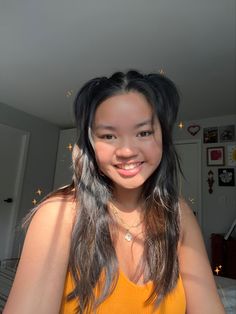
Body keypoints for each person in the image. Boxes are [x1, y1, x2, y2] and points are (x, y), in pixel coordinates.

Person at [4, 70, 225, 314]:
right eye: (109, 135)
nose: (127, 151)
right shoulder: (60, 214)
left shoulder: (178, 212)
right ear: (91, 144)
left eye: (144, 132)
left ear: (163, 137)